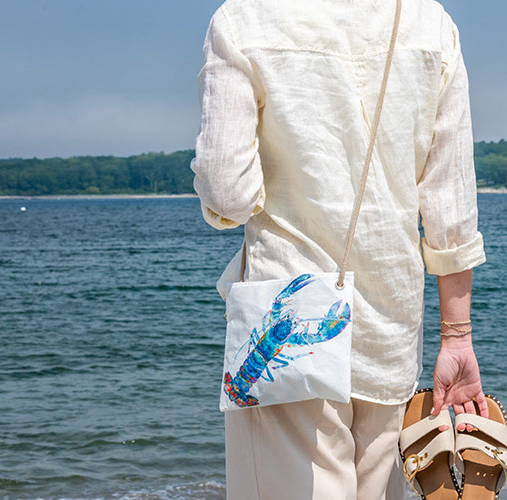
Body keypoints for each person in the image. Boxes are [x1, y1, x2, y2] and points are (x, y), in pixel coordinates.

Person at [191, 0, 487, 498]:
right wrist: (457, 337)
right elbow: (450, 211)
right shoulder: (432, 25)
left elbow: (227, 193)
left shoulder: (243, 20)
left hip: (282, 326)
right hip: (389, 331)